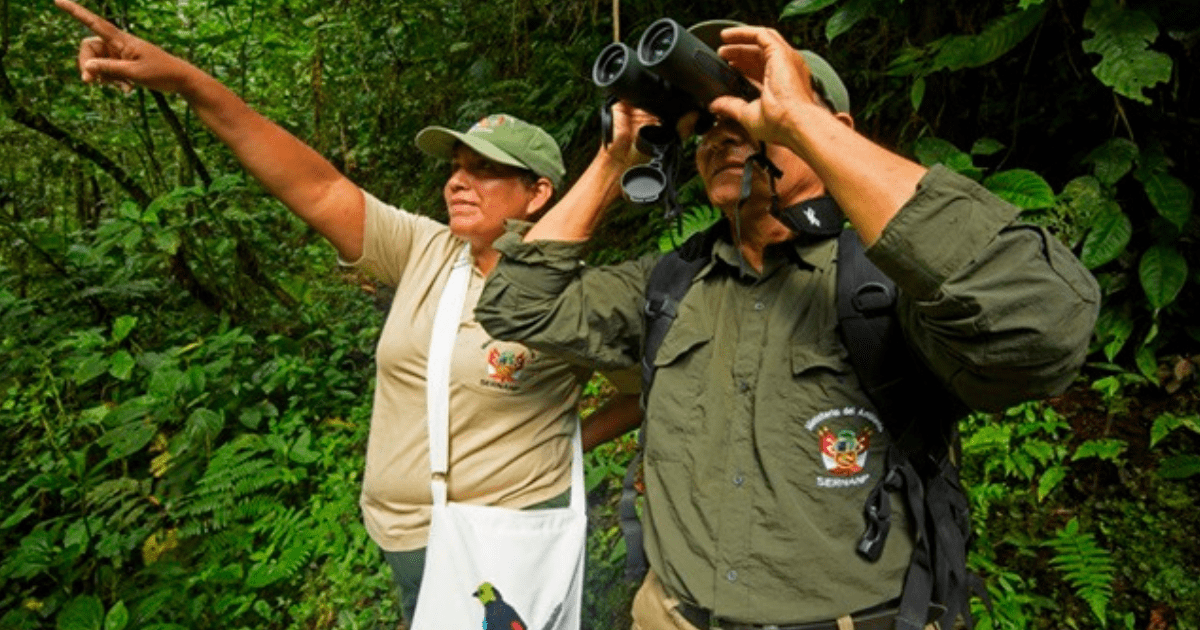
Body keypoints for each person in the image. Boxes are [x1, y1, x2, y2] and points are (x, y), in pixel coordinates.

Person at [476, 21, 1100, 630]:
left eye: (749, 112)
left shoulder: (880, 287)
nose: (728, 133)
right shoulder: (669, 284)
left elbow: (1044, 326)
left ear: (834, 129)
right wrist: (615, 160)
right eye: (710, 125)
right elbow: (516, 304)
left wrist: (801, 121)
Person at [54, 0, 640, 625]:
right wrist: (188, 81)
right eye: (455, 168)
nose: (458, 182)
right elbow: (316, 186)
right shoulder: (424, 249)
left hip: (506, 540)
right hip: (407, 537)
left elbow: (641, 392)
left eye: (486, 170)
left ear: (539, 192)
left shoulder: (576, 298)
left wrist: (560, 445)